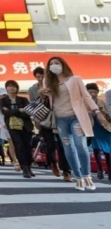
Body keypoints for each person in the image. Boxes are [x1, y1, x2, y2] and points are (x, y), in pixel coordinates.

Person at [42, 56, 101, 191]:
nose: (54, 66)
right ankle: (78, 177)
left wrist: (96, 111)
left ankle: (87, 176)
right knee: (68, 149)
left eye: (56, 63)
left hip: (76, 117)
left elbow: (86, 96)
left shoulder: (75, 79)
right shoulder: (48, 81)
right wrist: (42, 92)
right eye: (51, 64)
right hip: (60, 119)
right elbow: (47, 99)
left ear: (63, 65)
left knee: (81, 145)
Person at [28, 66, 68, 179]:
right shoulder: (33, 89)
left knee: (62, 144)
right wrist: (36, 120)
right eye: (38, 76)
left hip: (58, 116)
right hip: (43, 118)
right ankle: (53, 163)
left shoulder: (55, 85)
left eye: (42, 76)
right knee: (49, 145)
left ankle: (66, 171)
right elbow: (33, 105)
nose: (40, 78)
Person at [0, 79, 35, 178]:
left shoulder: (23, 99)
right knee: (19, 146)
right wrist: (19, 110)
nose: (11, 88)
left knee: (27, 147)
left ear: (17, 88)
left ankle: (29, 167)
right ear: (6, 88)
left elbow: (28, 112)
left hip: (26, 126)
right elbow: (5, 113)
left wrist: (12, 111)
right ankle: (24, 169)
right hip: (12, 127)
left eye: (13, 86)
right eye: (9, 86)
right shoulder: (3, 101)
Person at [86, 83, 111, 180]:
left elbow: (108, 116)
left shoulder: (101, 102)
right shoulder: (83, 103)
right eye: (90, 92)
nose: (93, 94)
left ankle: (109, 171)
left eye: (94, 92)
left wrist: (104, 114)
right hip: (93, 129)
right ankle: (100, 169)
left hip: (104, 128)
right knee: (96, 149)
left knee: (108, 150)